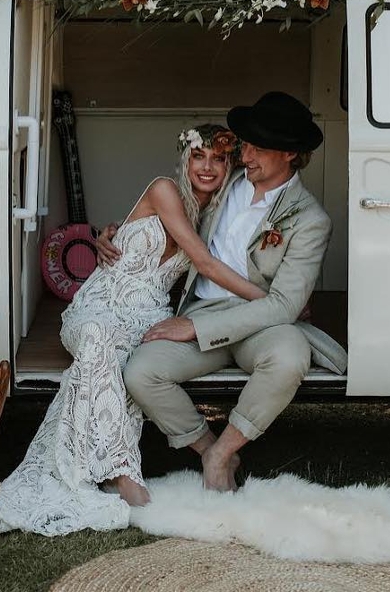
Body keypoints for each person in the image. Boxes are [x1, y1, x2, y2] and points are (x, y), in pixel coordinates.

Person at [0, 123, 267, 536]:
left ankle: (183, 455)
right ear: (184, 159)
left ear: (229, 166)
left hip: (148, 315)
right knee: (97, 341)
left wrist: (114, 227)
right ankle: (122, 474)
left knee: (127, 362)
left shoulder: (213, 214)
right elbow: (202, 263)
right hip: (99, 304)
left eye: (218, 159)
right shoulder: (164, 188)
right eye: (198, 156)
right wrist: (270, 301)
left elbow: (191, 254)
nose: (206, 167)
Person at [118, 91, 335, 492]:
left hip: (264, 321)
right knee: (141, 372)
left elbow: (285, 305)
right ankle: (208, 449)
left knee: (289, 358)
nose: (246, 155)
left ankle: (223, 453)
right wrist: (113, 232)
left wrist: (194, 330)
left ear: (290, 154)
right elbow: (166, 212)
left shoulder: (309, 219)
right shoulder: (224, 181)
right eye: (245, 145)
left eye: (258, 148)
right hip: (202, 309)